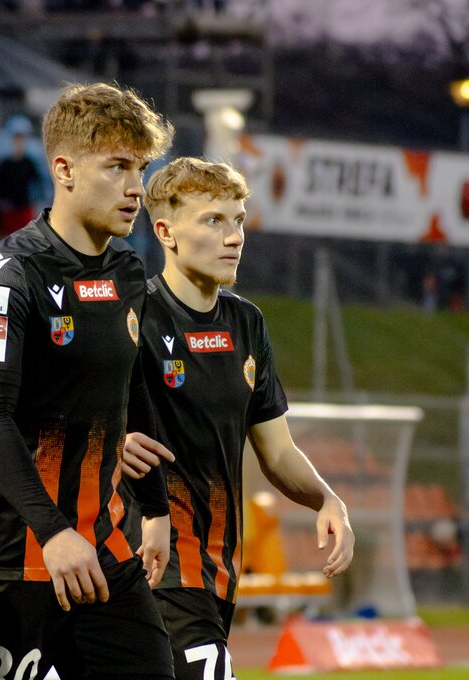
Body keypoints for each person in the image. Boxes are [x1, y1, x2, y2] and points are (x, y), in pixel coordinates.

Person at [0, 82, 177, 680]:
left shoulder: (128, 272)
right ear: (64, 170)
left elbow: (132, 390)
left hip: (105, 555)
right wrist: (53, 532)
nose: (135, 188)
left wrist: (155, 508)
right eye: (117, 167)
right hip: (9, 559)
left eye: (141, 169)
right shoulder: (5, 277)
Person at [122, 158, 355, 679]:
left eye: (239, 220)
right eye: (213, 221)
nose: (234, 237)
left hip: (219, 569)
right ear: (166, 233)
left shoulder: (246, 323)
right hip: (152, 562)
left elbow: (278, 450)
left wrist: (326, 499)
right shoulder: (135, 315)